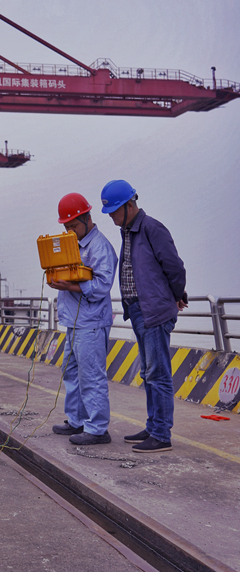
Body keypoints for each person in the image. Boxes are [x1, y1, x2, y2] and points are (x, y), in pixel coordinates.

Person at [101, 180, 187, 454]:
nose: (112, 217)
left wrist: (178, 294)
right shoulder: (128, 231)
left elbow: (174, 266)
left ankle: (162, 434)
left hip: (154, 309)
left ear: (130, 205)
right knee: (148, 372)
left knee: (158, 373)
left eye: (115, 211)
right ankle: (152, 426)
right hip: (138, 310)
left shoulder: (151, 228)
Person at [50, 193, 118, 446]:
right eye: (66, 227)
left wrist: (71, 286)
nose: (70, 231)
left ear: (88, 219)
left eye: (74, 226)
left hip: (91, 323)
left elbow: (101, 285)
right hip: (74, 321)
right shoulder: (72, 244)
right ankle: (77, 420)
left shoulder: (100, 247)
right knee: (71, 373)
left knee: (91, 376)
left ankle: (98, 428)